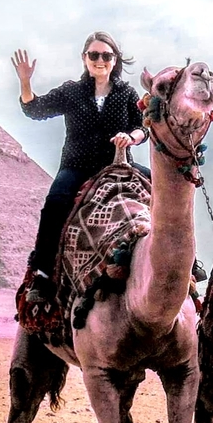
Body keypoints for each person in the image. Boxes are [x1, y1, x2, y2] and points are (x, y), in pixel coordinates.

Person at [14, 32, 151, 304]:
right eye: (94, 55)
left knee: (163, 190)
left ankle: (183, 259)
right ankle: (43, 274)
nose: (100, 60)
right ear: (84, 58)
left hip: (118, 163)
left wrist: (130, 137)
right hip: (77, 165)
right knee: (55, 203)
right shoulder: (71, 92)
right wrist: (25, 82)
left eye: (106, 55)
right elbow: (35, 109)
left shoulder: (126, 93)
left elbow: (142, 126)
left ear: (115, 60)